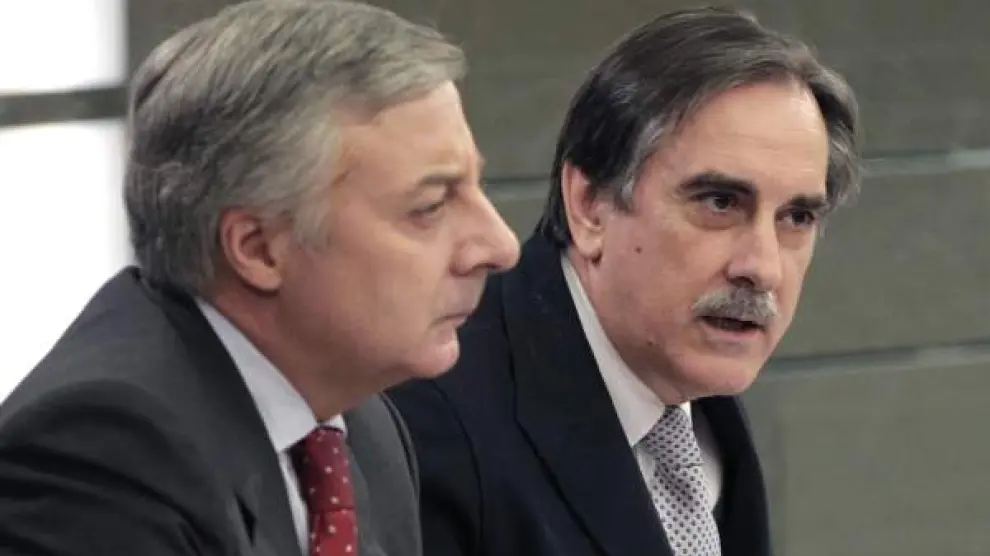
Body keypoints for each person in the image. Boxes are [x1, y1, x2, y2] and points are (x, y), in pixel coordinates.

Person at [0, 2, 519, 555]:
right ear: (258, 248)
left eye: (477, 188)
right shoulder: (102, 452)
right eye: (431, 206)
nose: (501, 246)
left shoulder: (362, 424)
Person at [388, 6, 861, 556]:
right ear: (590, 206)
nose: (763, 267)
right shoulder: (431, 424)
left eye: (797, 217)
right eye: (719, 202)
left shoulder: (695, 388)